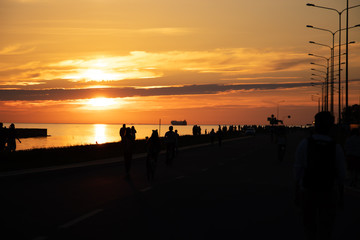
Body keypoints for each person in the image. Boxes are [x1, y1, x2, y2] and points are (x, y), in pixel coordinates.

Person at [294, 111, 345, 240]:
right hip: (328, 191)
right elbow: (341, 174)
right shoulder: (336, 147)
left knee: (309, 227)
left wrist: (296, 193)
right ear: (331, 127)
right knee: (326, 228)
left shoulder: (305, 144)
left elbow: (298, 171)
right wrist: (341, 195)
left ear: (316, 125)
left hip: (308, 190)